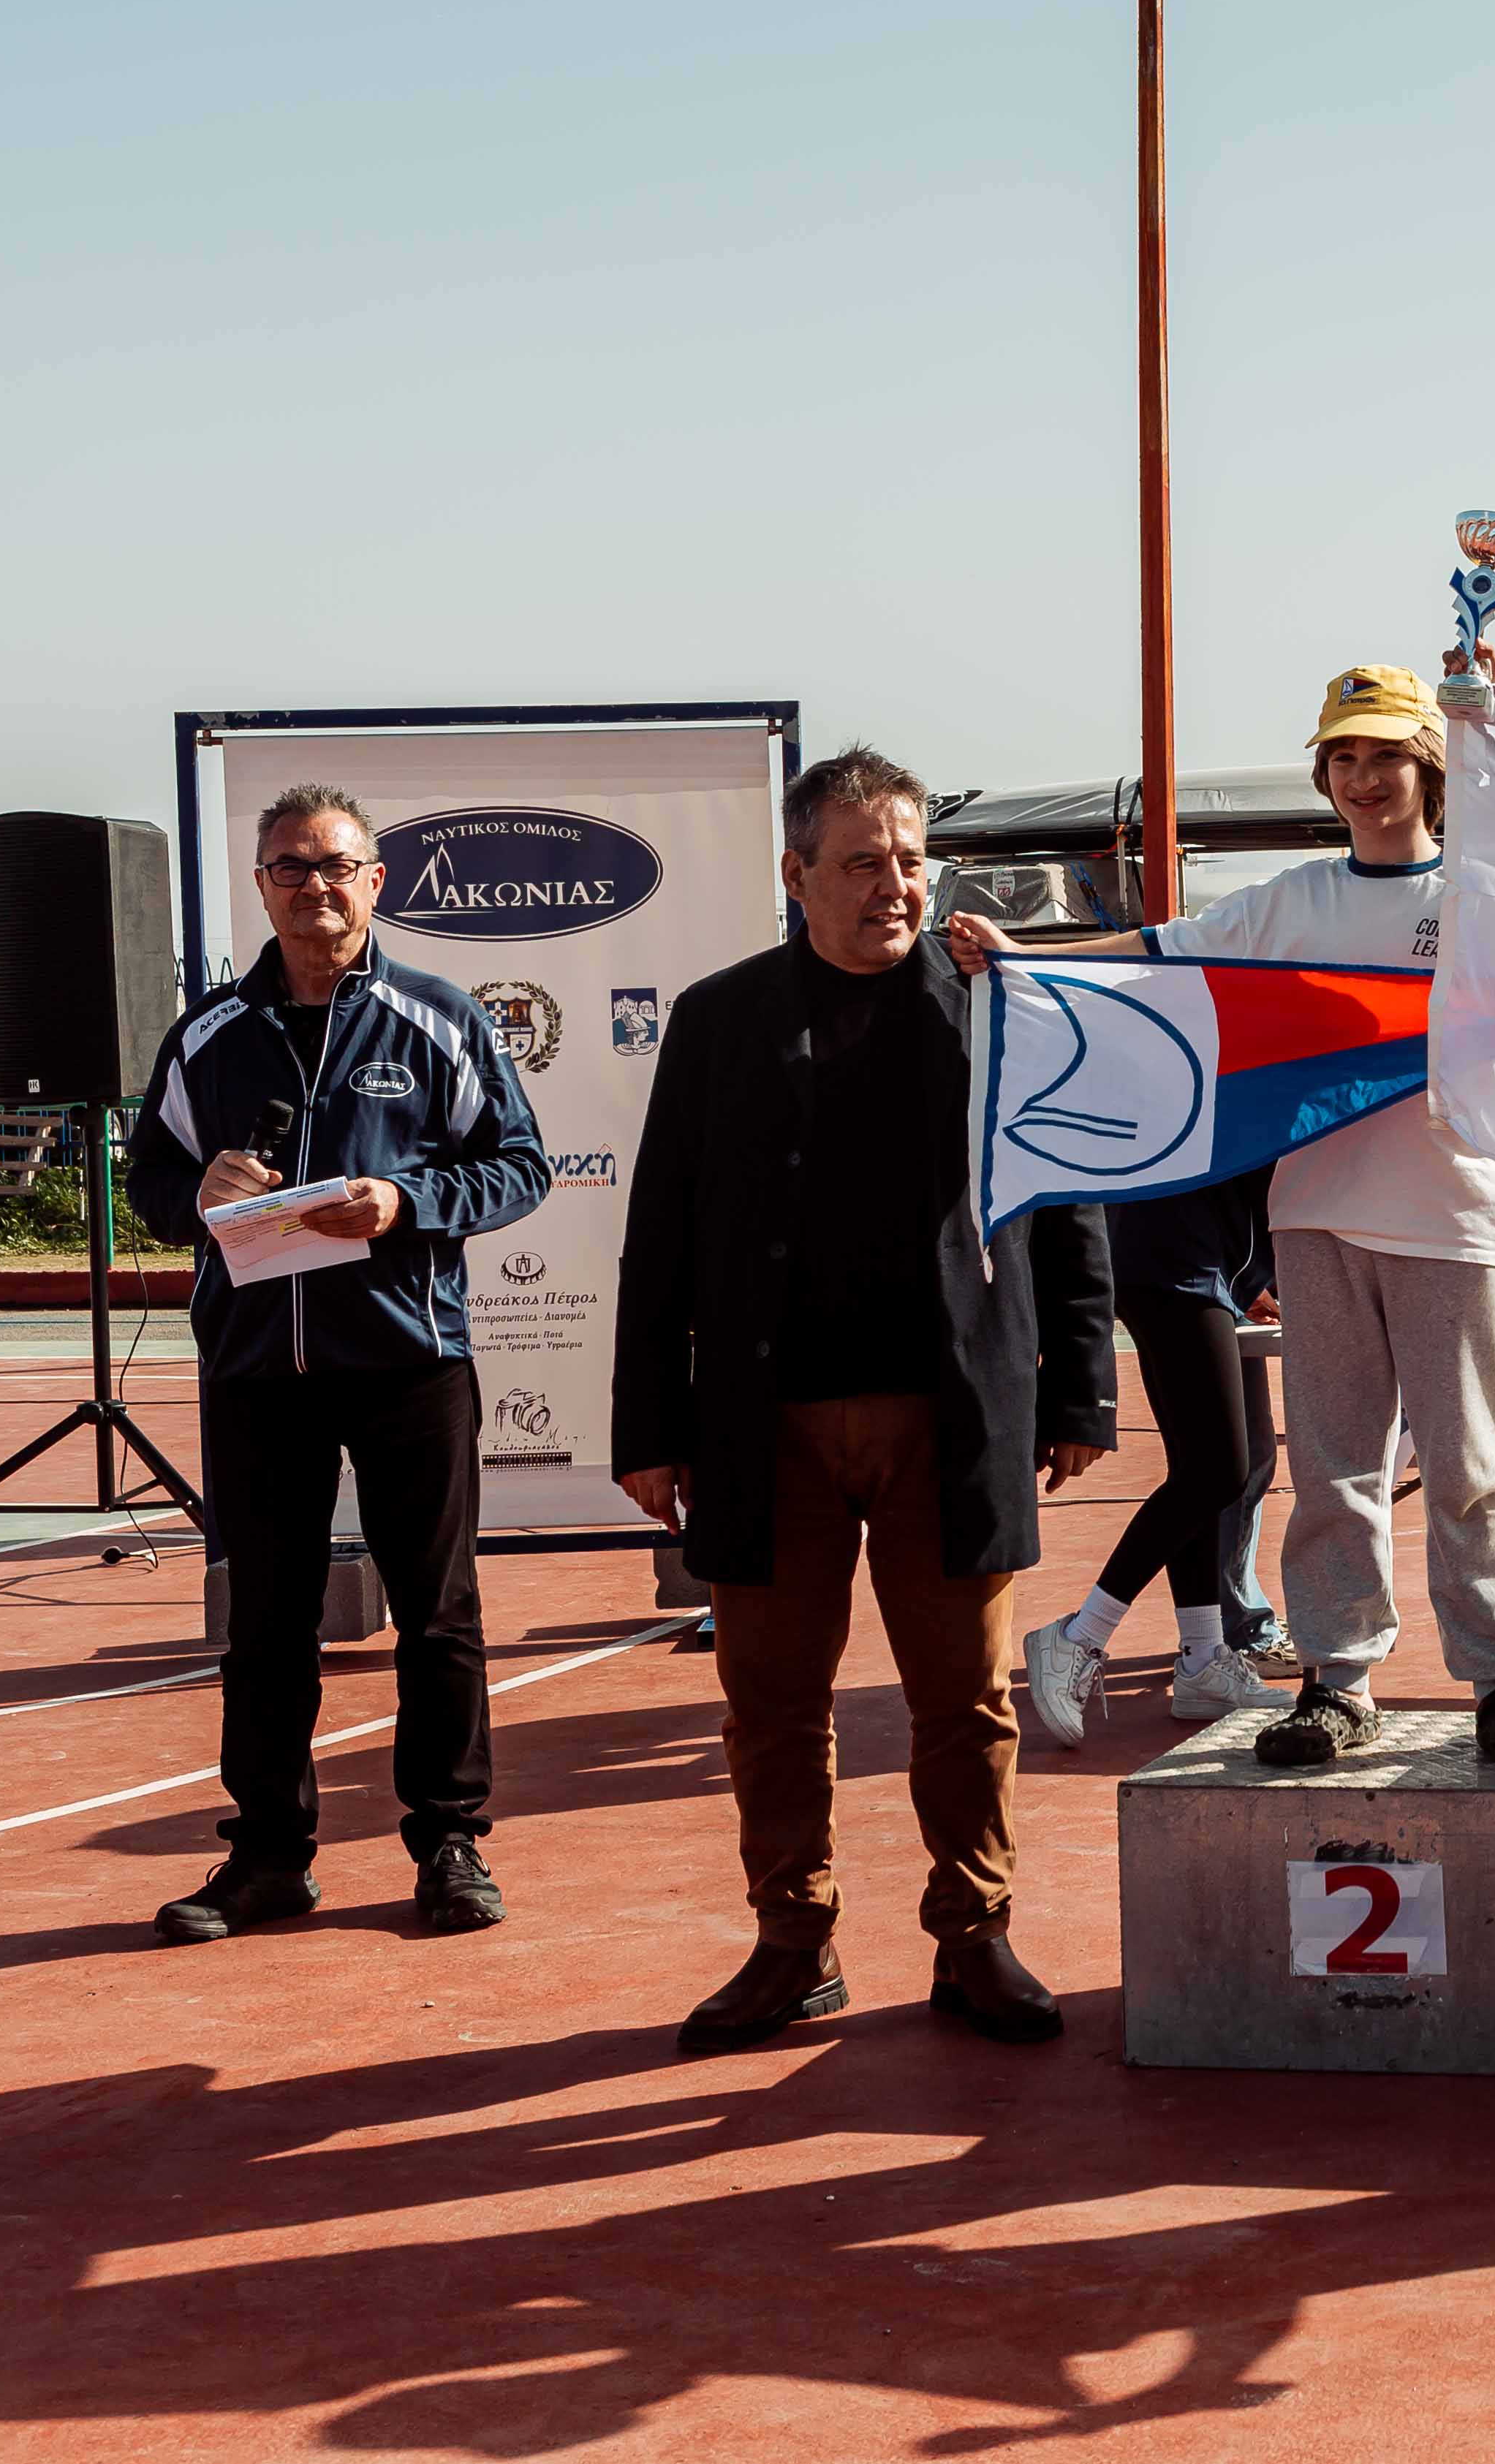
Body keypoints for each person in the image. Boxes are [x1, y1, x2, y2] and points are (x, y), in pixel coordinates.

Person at [614, 746, 1119, 2055]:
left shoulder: (1001, 1005)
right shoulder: (717, 1020)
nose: (892, 886)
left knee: (966, 1701)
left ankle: (976, 1935)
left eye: (907, 860)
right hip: (761, 1424)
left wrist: (1081, 1388)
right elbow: (658, 1227)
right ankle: (794, 1941)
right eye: (860, 863)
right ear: (795, 875)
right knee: (773, 1706)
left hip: (951, 1416)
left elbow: (1067, 1197)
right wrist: (645, 1425)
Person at [954, 664, 1495, 1774]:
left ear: (1428, 768)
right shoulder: (1292, 903)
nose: (1364, 778)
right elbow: (1161, 953)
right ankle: (1337, 1679)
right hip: (1316, 1220)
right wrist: (1026, 958)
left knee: (1470, 1468)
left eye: (1385, 755)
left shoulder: (1483, 895)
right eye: (1343, 758)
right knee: (1333, 1470)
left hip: (1455, 1218)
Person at [127, 784, 548, 1944]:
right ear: (262, 885)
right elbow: (147, 1181)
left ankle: (449, 1842)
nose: (314, 885)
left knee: (438, 1613)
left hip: (410, 1357)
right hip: (258, 1368)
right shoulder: (208, 1035)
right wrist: (197, 1191)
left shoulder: (440, 1019)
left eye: (335, 865)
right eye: (290, 867)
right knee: (266, 1624)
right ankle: (268, 1856)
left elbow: (520, 1166)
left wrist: (407, 1201)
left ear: (375, 882)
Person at [1020, 1166, 1292, 1745]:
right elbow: (1262, 1168)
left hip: (1173, 1256)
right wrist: (1260, 1273)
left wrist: (1247, 1277)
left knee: (1200, 1468)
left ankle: (1202, 1658)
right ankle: (1077, 1637)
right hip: (1178, 1260)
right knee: (1220, 1469)